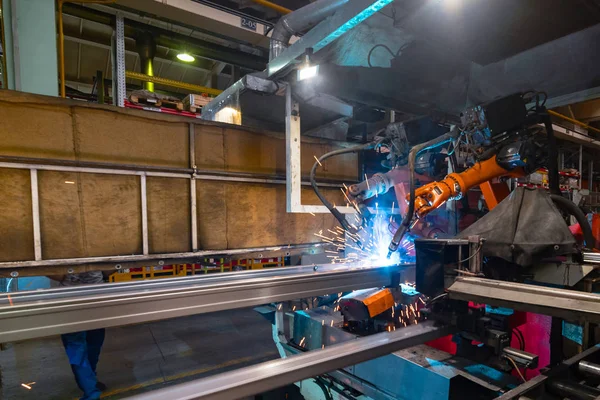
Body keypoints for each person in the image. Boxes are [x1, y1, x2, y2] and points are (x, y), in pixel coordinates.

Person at [50, 271, 106, 400]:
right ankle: (90, 383)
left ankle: (90, 389)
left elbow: (45, 269)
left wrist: (65, 276)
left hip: (71, 298)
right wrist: (99, 274)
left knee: (78, 347)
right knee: (92, 344)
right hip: (96, 296)